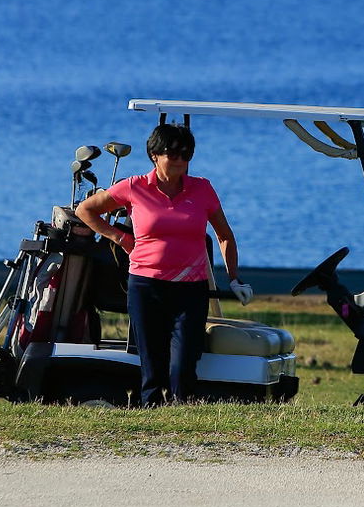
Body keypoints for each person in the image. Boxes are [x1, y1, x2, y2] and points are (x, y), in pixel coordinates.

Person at [76, 123, 252, 406]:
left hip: (191, 289)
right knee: (152, 362)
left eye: (186, 155)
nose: (180, 161)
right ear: (155, 155)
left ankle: (182, 410)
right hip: (146, 286)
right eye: (173, 154)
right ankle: (151, 415)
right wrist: (119, 238)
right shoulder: (134, 187)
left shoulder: (202, 189)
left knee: (184, 362)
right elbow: (86, 210)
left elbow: (224, 236)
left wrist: (234, 279)